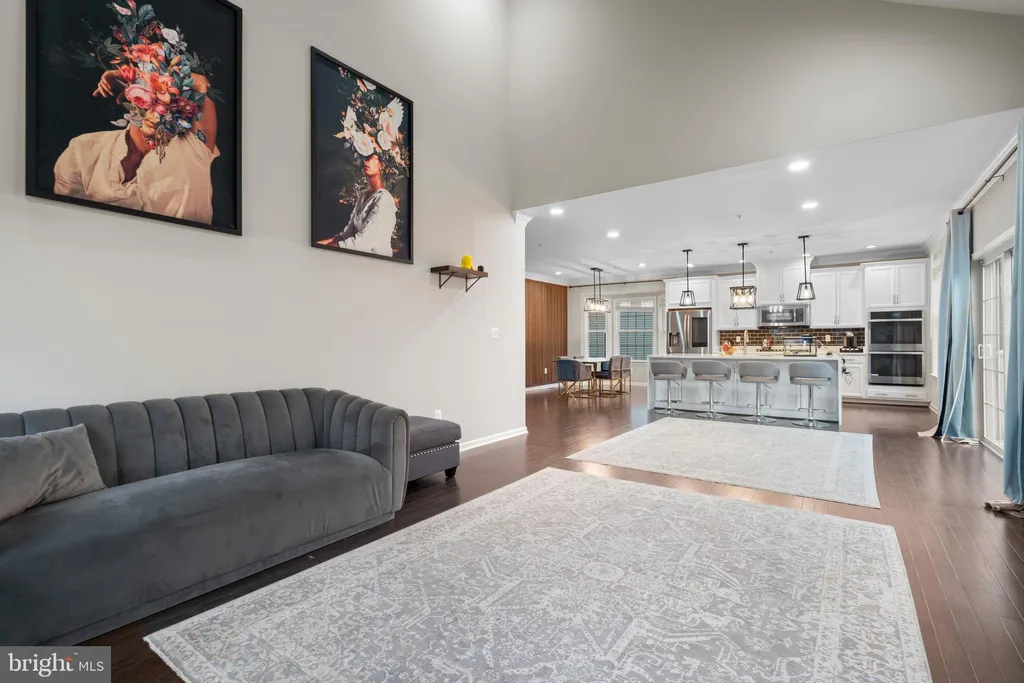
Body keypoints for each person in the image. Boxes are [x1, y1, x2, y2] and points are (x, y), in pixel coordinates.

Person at [53, 71, 219, 224]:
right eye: (155, 100)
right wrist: (133, 79)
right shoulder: (83, 150)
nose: (161, 114)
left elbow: (200, 84)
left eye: (174, 108)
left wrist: (135, 73)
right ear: (133, 99)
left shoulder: (195, 149)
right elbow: (64, 221)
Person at [318, 153, 397, 256]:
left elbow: (364, 242)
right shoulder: (363, 196)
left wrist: (325, 248)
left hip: (377, 260)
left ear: (381, 165)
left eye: (369, 158)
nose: (365, 161)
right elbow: (348, 234)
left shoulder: (384, 199)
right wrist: (320, 244)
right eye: (364, 158)